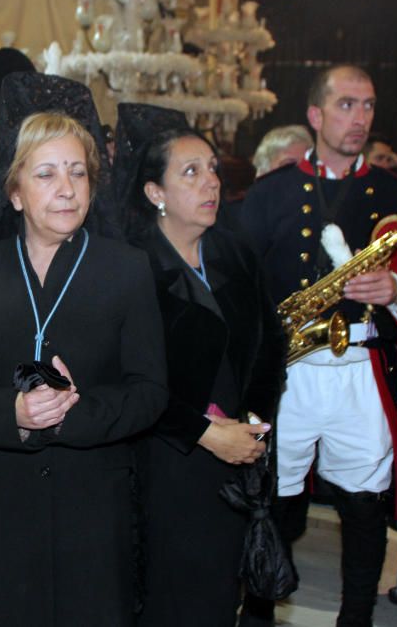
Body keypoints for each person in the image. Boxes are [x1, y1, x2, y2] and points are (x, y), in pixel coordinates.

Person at [0, 72, 167, 626]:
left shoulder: (126, 269)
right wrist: (11, 412)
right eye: (46, 174)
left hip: (94, 500)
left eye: (78, 172)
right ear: (14, 192)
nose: (66, 188)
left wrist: (77, 414)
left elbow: (150, 391)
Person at [240, 64, 397, 627]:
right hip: (290, 371)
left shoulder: (392, 192)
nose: (359, 117)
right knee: (278, 503)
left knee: (364, 508)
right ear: (315, 115)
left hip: (359, 365)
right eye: (346, 105)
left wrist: (395, 289)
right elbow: (240, 283)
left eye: (367, 106)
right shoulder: (271, 193)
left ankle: (356, 618)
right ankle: (262, 611)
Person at [117, 102, 286, 626]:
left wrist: (255, 420)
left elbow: (270, 343)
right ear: (154, 193)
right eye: (190, 172)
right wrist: (206, 434)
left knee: (220, 594)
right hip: (166, 463)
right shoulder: (130, 268)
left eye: (212, 169)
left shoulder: (234, 253)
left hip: (238, 457)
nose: (210, 182)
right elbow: (125, 379)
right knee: (172, 598)